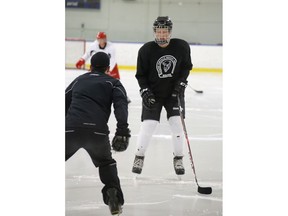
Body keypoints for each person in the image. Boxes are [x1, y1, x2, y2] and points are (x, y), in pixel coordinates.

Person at [66, 52, 131, 215]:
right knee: (106, 163)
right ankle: (113, 195)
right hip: (97, 133)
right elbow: (121, 106)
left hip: (71, 129)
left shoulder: (79, 80)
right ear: (108, 68)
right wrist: (122, 130)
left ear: (90, 66)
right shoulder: (113, 83)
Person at [132, 16, 193, 176]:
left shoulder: (181, 46)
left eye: (164, 32)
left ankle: (178, 158)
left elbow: (186, 67)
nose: (161, 35)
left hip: (174, 93)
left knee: (177, 125)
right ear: (154, 32)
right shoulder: (146, 50)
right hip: (154, 93)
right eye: (159, 32)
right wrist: (145, 91)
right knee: (148, 125)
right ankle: (139, 156)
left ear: (170, 32)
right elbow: (141, 75)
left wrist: (181, 83)